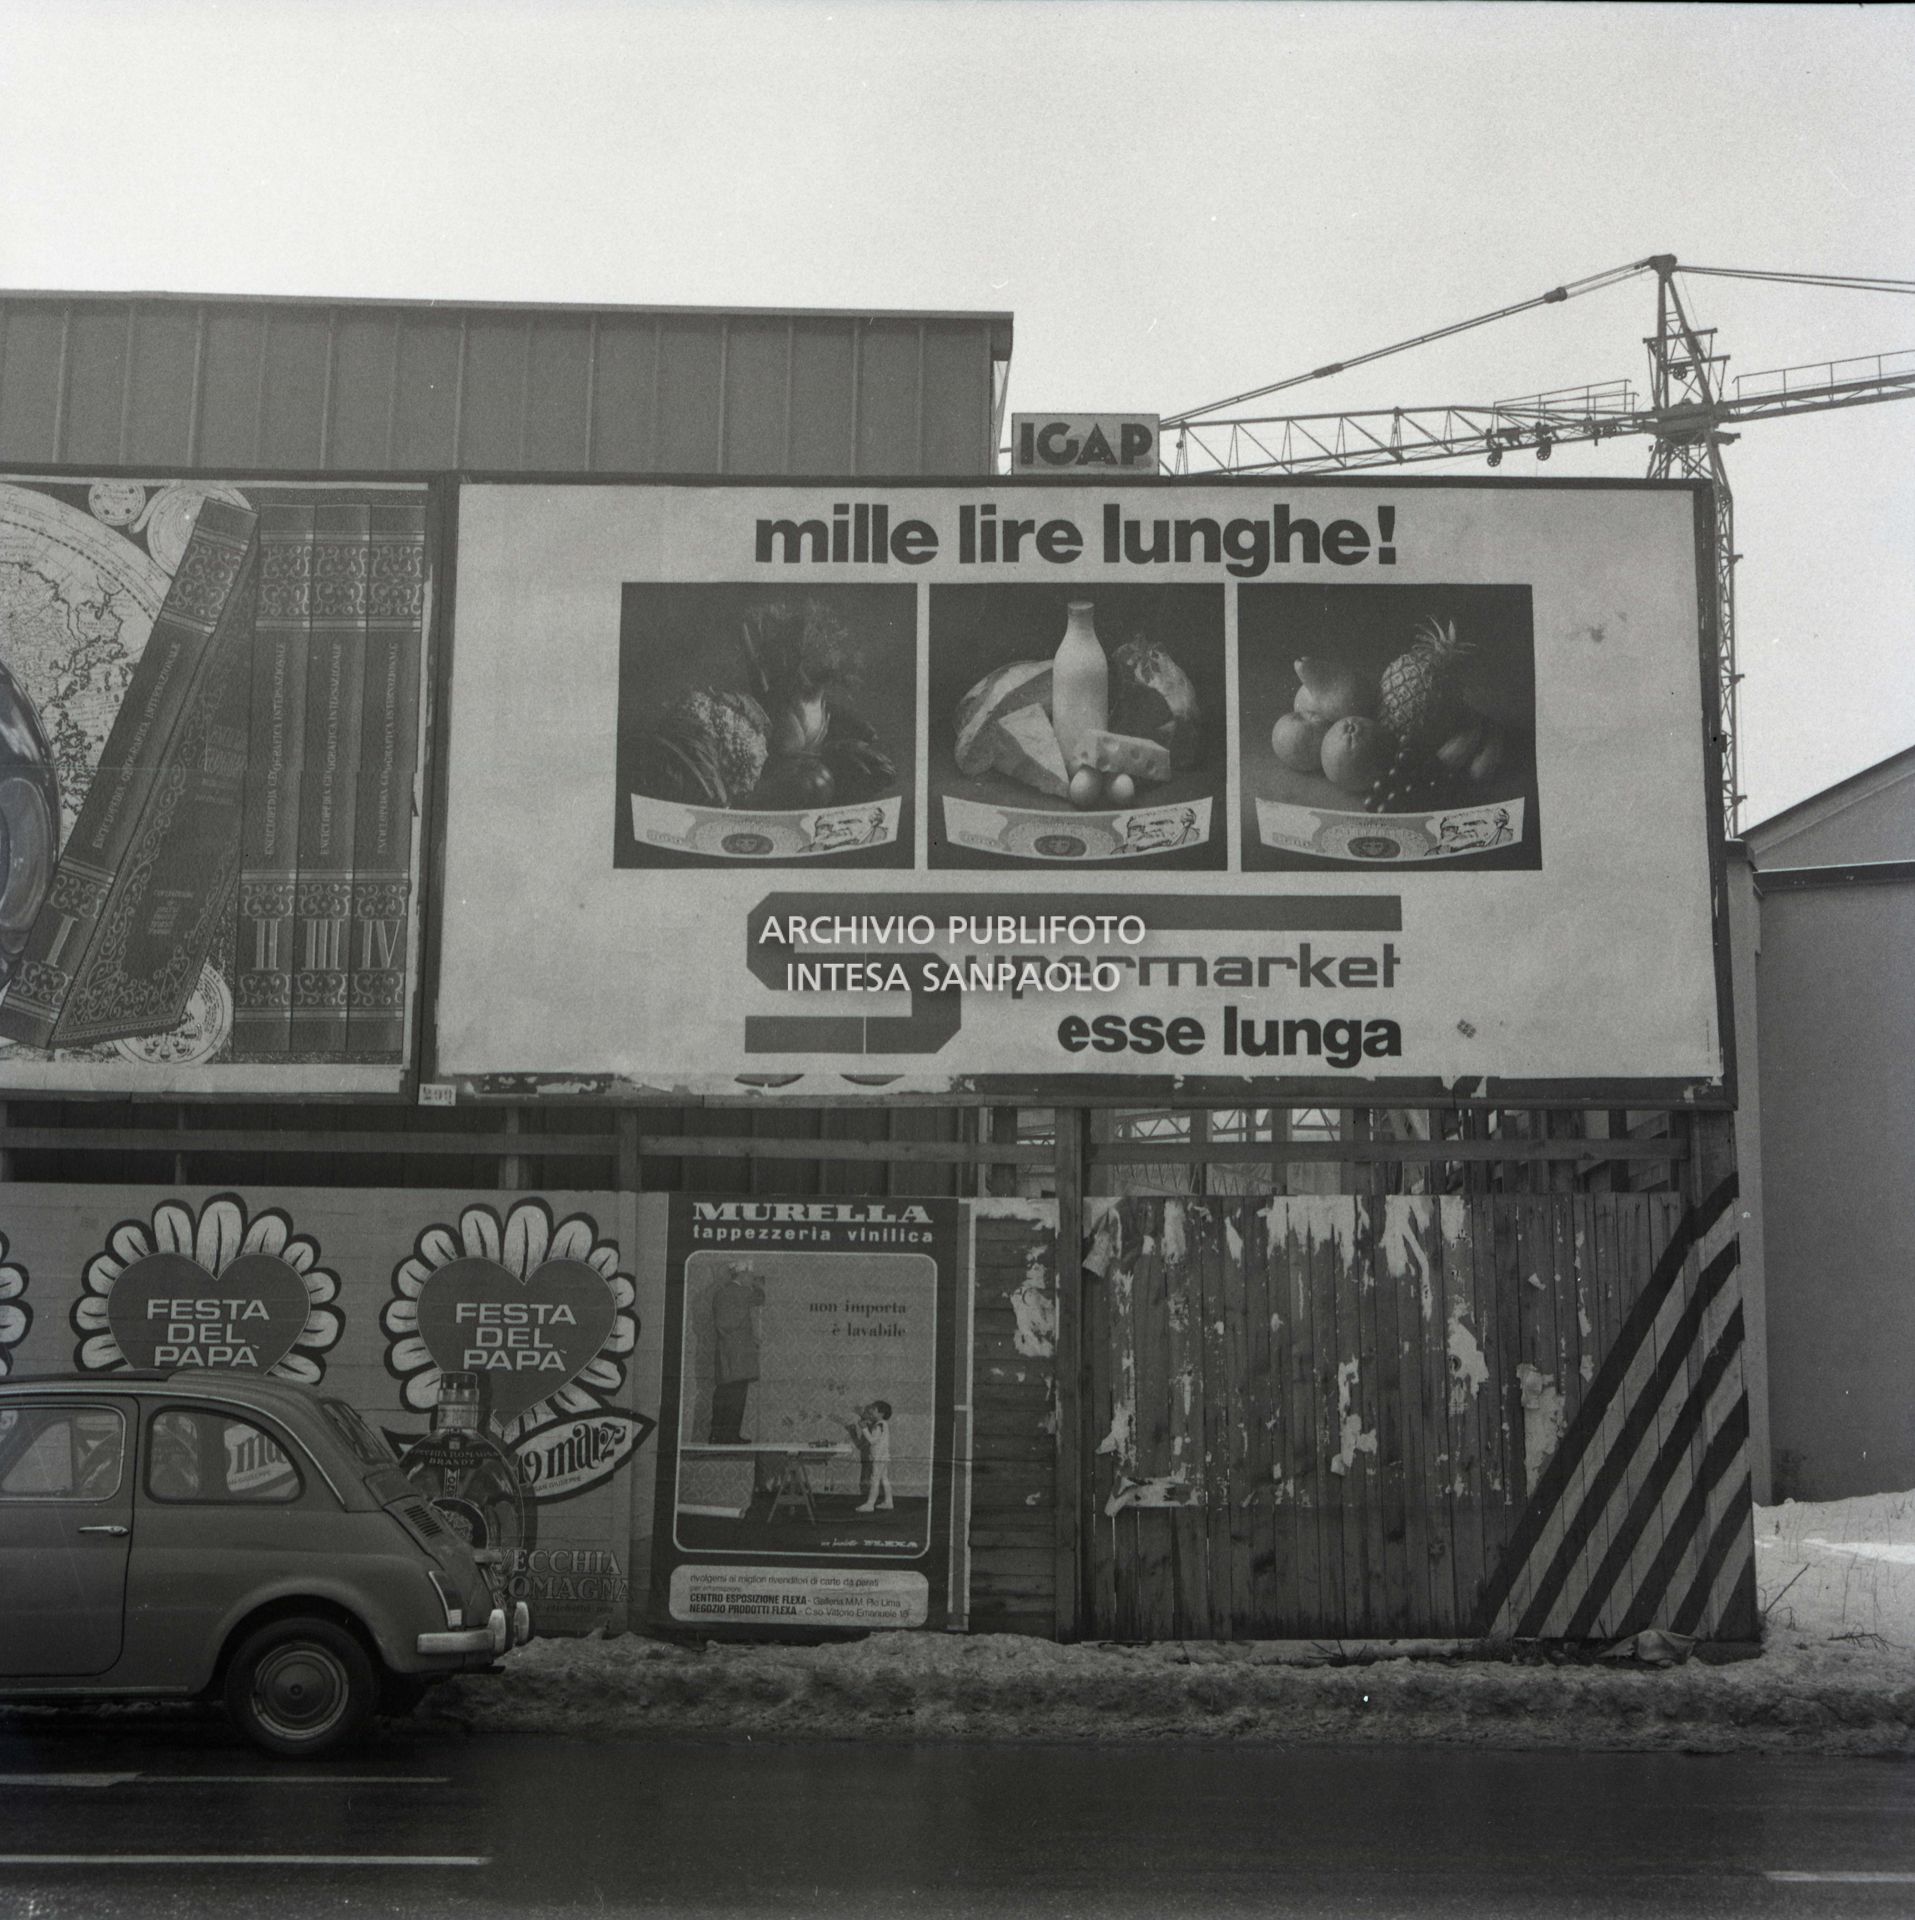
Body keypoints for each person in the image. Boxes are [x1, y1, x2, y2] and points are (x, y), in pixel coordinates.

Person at [706, 1262, 766, 1444]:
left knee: (725, 1392)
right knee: (736, 1394)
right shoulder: (741, 1292)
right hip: (739, 1351)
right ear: (742, 1275)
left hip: (726, 1350)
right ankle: (729, 1435)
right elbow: (760, 1297)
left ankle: (718, 1435)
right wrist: (758, 1285)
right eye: (750, 1275)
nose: (751, 1278)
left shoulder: (720, 1293)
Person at [847, 1399, 894, 1513]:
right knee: (884, 1479)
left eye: (873, 1410)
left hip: (878, 1458)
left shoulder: (879, 1425)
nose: (871, 1412)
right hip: (883, 1457)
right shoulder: (882, 1424)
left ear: (881, 1413)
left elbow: (872, 1441)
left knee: (875, 1480)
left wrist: (863, 1428)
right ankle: (889, 1502)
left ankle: (870, 1504)